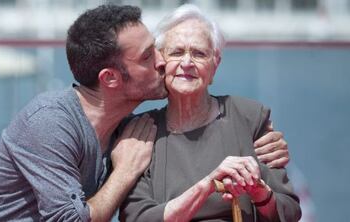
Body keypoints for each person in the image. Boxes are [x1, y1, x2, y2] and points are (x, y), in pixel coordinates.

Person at [0, 4, 291, 222]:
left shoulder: (125, 128)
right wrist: (125, 172)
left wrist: (266, 143)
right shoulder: (50, 122)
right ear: (111, 79)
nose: (163, 63)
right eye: (149, 57)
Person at [120, 4, 301, 222]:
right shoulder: (141, 132)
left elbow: (289, 212)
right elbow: (136, 218)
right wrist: (209, 184)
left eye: (199, 53)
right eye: (176, 52)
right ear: (160, 62)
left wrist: (261, 194)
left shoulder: (249, 117)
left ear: (215, 65)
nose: (186, 63)